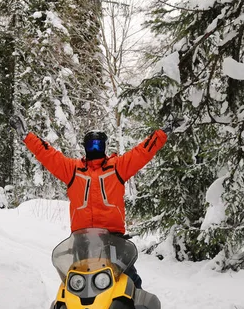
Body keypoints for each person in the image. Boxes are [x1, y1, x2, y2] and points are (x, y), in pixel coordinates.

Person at [10, 117, 183, 288]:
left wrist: (162, 133)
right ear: (85, 147)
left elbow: (142, 152)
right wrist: (27, 136)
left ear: (105, 147)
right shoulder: (72, 170)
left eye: (98, 144)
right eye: (91, 144)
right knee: (80, 284)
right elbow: (48, 154)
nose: (95, 148)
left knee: (129, 282)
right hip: (82, 240)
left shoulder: (117, 167)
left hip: (113, 239)